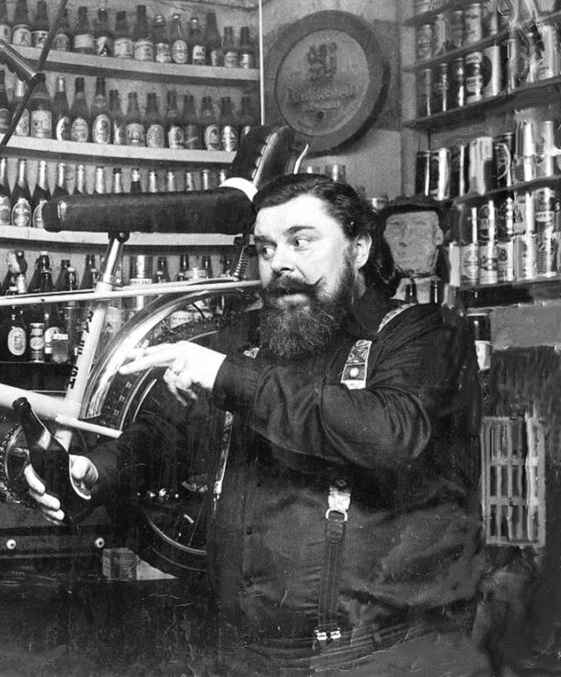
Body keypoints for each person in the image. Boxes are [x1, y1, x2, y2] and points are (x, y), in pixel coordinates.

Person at [27, 173, 489, 674]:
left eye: (301, 241)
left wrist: (224, 376)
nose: (280, 264)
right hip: (250, 655)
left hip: (385, 656)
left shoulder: (424, 334)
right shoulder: (243, 338)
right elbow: (167, 436)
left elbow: (389, 433)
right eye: (266, 248)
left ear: (358, 248)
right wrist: (94, 471)